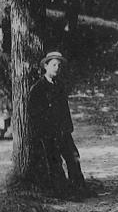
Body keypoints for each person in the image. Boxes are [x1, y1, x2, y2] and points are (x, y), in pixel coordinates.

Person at [28, 51, 86, 190]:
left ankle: (79, 188)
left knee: (73, 157)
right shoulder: (38, 88)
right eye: (54, 65)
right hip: (48, 133)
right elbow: (33, 113)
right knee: (54, 162)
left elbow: (65, 109)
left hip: (63, 131)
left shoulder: (60, 85)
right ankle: (61, 191)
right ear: (46, 66)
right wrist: (44, 130)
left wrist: (67, 128)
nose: (57, 68)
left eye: (59, 65)